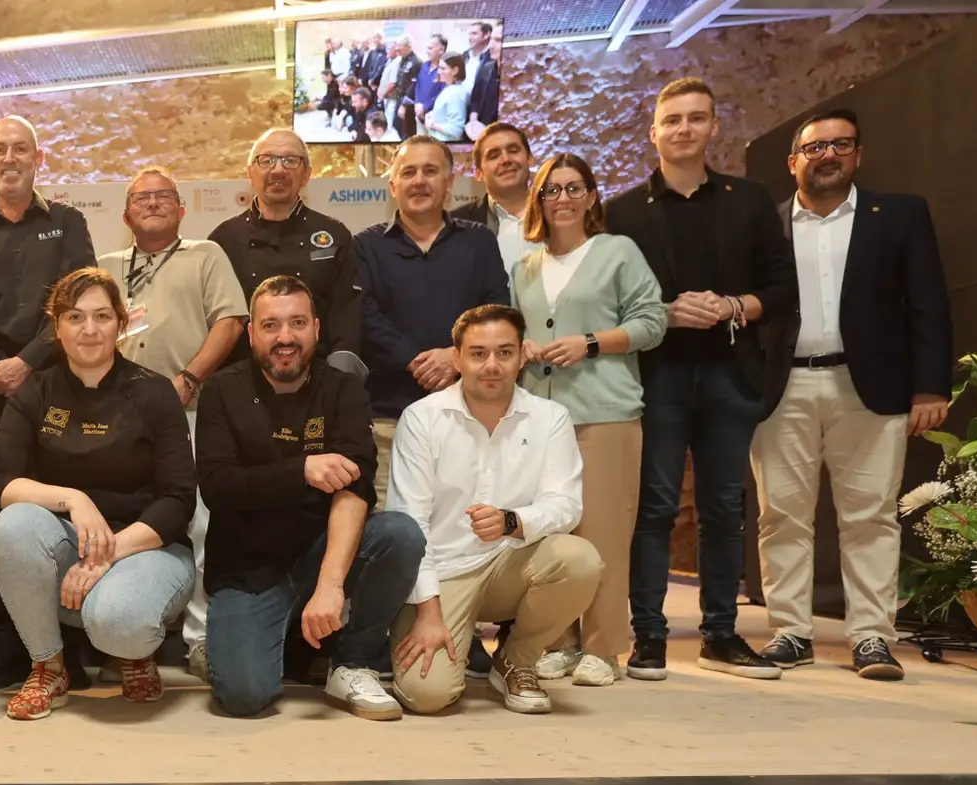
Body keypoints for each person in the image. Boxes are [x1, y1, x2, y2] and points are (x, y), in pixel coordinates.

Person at [604, 78, 797, 681]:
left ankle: (721, 633)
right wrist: (665, 310)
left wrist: (734, 305)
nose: (683, 129)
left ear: (715, 127)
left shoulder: (749, 200)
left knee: (724, 506)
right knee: (655, 506)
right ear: (654, 131)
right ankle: (650, 636)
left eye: (696, 119)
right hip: (658, 375)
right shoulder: (622, 211)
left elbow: (782, 289)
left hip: (729, 372)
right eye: (672, 120)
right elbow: (610, 301)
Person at [752, 109, 952, 679]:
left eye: (840, 145)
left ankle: (871, 637)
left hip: (872, 388)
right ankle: (790, 631)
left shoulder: (901, 217)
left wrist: (930, 386)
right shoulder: (765, 226)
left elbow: (930, 304)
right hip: (781, 387)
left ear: (858, 155)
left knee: (870, 517)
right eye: (815, 148)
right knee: (781, 515)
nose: (828, 155)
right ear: (793, 162)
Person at [196, 276, 425, 720]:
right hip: (248, 568)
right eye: (271, 325)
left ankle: (351, 662)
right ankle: (241, 644)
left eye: (297, 323)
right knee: (245, 696)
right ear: (251, 333)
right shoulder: (222, 390)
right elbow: (219, 488)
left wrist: (330, 584)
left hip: (321, 555)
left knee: (399, 534)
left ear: (317, 329)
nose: (285, 337)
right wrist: (302, 469)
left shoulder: (343, 389)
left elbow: (355, 489)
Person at [0, 268, 196, 720]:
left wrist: (109, 552)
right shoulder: (35, 391)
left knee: (118, 623)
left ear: (121, 324)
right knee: (13, 524)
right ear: (56, 326)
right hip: (71, 553)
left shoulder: (154, 392)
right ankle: (49, 666)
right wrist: (73, 500)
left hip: (147, 549)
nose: (89, 329)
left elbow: (179, 500)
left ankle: (134, 653)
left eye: (102, 316)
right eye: (75, 317)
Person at [0, 115, 96, 690]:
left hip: (59, 388)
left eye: (21, 149)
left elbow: (79, 299)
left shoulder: (67, 221)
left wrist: (29, 359)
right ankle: (9, 647)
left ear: (38, 159)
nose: (10, 158)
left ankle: (71, 645)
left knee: (62, 511)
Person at [387, 305, 602, 715]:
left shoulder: (550, 418)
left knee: (579, 560)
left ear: (522, 356)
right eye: (478, 353)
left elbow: (566, 506)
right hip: (442, 574)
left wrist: (512, 521)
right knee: (427, 696)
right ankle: (452, 637)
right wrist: (429, 614)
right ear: (457, 358)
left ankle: (515, 660)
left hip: (511, 565)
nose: (492, 366)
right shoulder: (422, 419)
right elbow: (409, 524)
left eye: (504, 353)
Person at [511, 153, 668, 687]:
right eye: (551, 190)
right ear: (539, 200)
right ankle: (560, 642)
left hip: (606, 413)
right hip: (540, 418)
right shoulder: (524, 267)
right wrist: (522, 346)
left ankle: (604, 647)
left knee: (603, 533)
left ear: (592, 196)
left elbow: (653, 321)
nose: (563, 199)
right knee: (553, 535)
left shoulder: (617, 252)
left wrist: (591, 343)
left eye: (574, 188)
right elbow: (511, 332)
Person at [98, 166, 247, 679]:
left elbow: (230, 320)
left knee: (202, 524)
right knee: (126, 521)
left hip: (189, 409)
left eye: (165, 196)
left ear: (182, 209)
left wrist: (189, 377)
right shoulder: (106, 267)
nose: (154, 202)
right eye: (142, 197)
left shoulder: (205, 255)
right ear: (125, 215)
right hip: (120, 419)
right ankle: (124, 641)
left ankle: (199, 639)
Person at [355, 135, 510, 506]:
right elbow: (364, 315)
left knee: (465, 529)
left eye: (430, 171)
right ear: (393, 185)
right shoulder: (365, 246)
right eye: (408, 172)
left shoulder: (480, 242)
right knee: (392, 533)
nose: (419, 181)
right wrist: (415, 359)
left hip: (468, 417)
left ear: (449, 182)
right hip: (389, 420)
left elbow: (496, 312)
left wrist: (454, 358)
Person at [208, 128, 363, 371]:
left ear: (307, 175)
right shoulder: (223, 239)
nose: (278, 170)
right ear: (251, 173)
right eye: (267, 160)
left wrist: (338, 381)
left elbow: (347, 315)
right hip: (242, 380)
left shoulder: (334, 235)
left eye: (290, 161)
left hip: (319, 376)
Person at [449, 122, 539, 271]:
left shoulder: (559, 213)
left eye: (513, 150)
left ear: (529, 158)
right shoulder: (454, 228)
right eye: (494, 155)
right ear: (478, 173)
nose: (505, 160)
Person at [423, 55, 471, 143]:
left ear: (455, 70)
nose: (438, 72)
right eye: (439, 68)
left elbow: (456, 130)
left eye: (443, 68)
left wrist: (432, 124)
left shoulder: (455, 94)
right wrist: (431, 114)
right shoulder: (450, 89)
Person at [466, 22, 500, 128]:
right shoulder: (486, 68)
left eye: (498, 40)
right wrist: (473, 121)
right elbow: (476, 98)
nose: (491, 46)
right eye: (491, 40)